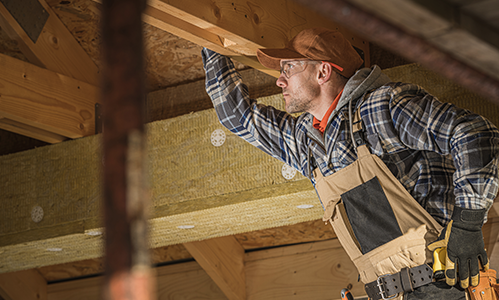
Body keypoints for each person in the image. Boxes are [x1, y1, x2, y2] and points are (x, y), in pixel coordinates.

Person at [202, 27, 499, 299]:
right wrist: (207, 34)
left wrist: (468, 225)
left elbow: (475, 135)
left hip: (444, 289)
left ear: (323, 72)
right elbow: (237, 117)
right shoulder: (307, 142)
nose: (280, 80)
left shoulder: (382, 108)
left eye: (289, 68)